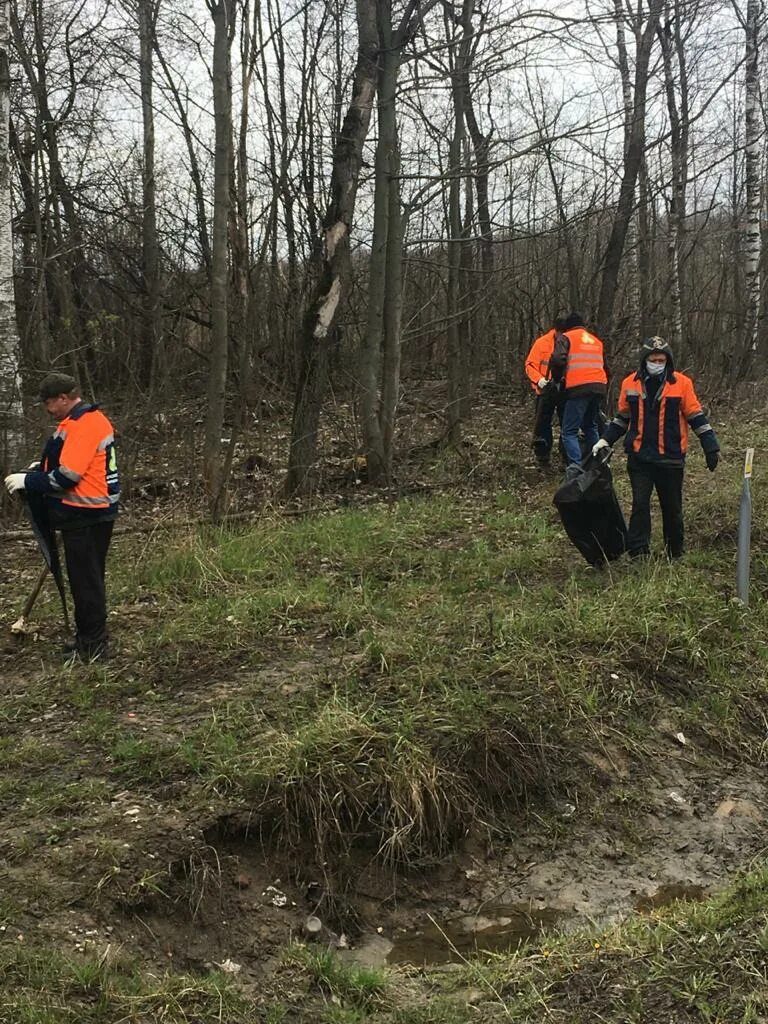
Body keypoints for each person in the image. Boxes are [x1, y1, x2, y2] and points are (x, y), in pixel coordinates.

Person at [4, 373, 120, 660]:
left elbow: (68, 476)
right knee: (85, 579)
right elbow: (67, 461)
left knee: (86, 582)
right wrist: (41, 468)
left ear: (63, 399)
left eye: (48, 402)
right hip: (84, 513)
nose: (46, 408)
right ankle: (87, 638)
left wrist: (29, 482)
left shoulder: (85, 425)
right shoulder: (78, 422)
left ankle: (93, 646)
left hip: (87, 513)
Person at [593, 337, 719, 560]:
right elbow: (622, 419)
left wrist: (710, 445)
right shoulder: (629, 383)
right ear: (644, 361)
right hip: (640, 458)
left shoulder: (682, 384)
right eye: (653, 359)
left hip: (670, 458)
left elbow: (695, 416)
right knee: (640, 505)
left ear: (668, 361)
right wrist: (605, 440)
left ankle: (675, 552)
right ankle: (639, 552)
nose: (657, 363)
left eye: (661, 360)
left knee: (672, 508)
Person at [549, 312, 608, 469]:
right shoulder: (596, 341)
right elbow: (605, 366)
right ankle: (599, 463)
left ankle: (576, 467)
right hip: (599, 387)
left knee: (569, 431)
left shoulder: (566, 338)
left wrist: (557, 379)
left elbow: (557, 359)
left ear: (567, 327)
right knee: (590, 426)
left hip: (578, 388)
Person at [524, 317, 567, 466]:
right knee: (542, 423)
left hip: (565, 389)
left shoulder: (570, 343)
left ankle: (566, 458)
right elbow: (530, 365)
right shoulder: (542, 343)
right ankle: (543, 457)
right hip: (545, 389)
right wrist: (539, 380)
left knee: (567, 424)